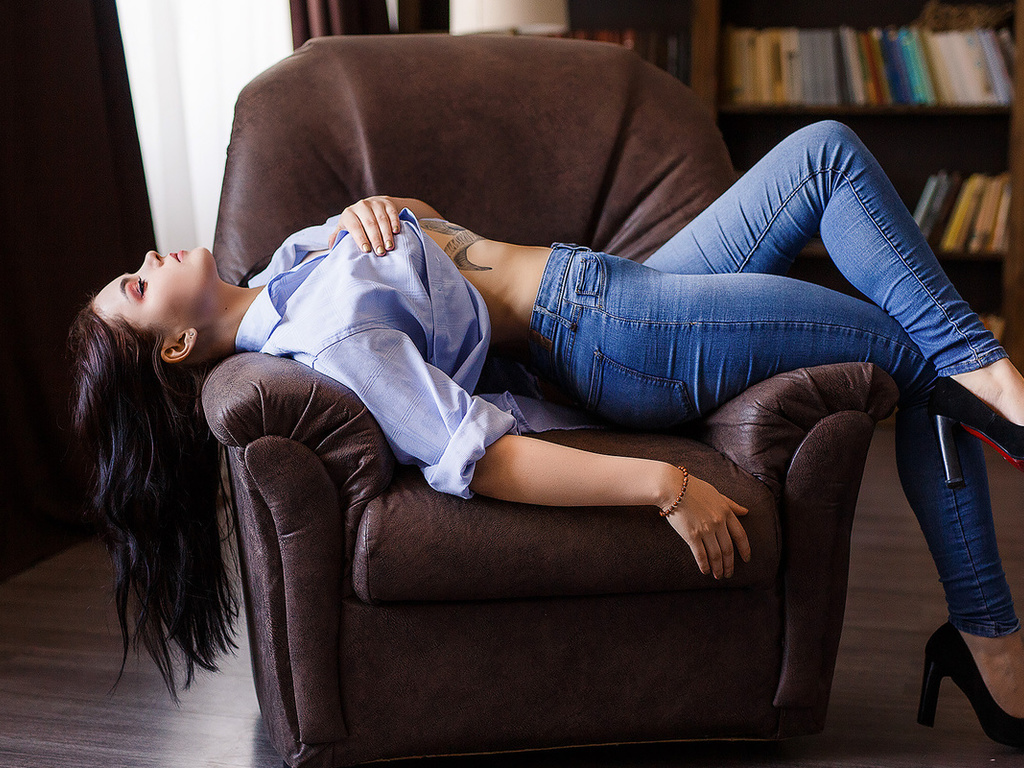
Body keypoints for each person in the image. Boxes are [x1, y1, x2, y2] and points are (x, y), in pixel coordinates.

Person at [70, 119, 1024, 746]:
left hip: (608, 282)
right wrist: (667, 486)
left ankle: (986, 633)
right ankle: (995, 607)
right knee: (922, 350)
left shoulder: (288, 264)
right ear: (180, 345)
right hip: (614, 335)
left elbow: (443, 245)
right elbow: (476, 457)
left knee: (824, 154)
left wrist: (391, 208)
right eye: (140, 287)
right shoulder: (325, 336)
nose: (151, 257)